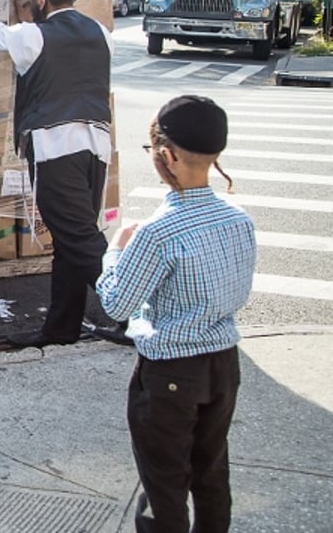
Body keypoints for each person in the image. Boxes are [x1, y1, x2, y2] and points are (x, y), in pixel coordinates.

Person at [97, 95, 255, 533]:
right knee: (210, 472)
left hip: (169, 371)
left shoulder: (156, 233)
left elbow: (116, 304)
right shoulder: (238, 219)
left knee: (163, 484)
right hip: (224, 364)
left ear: (166, 155)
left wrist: (115, 253)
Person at [0, 0, 116, 348]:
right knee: (70, 241)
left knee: (79, 241)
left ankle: (135, 307)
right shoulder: (101, 33)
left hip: (57, 149)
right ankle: (62, 329)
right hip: (96, 148)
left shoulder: (34, 37)